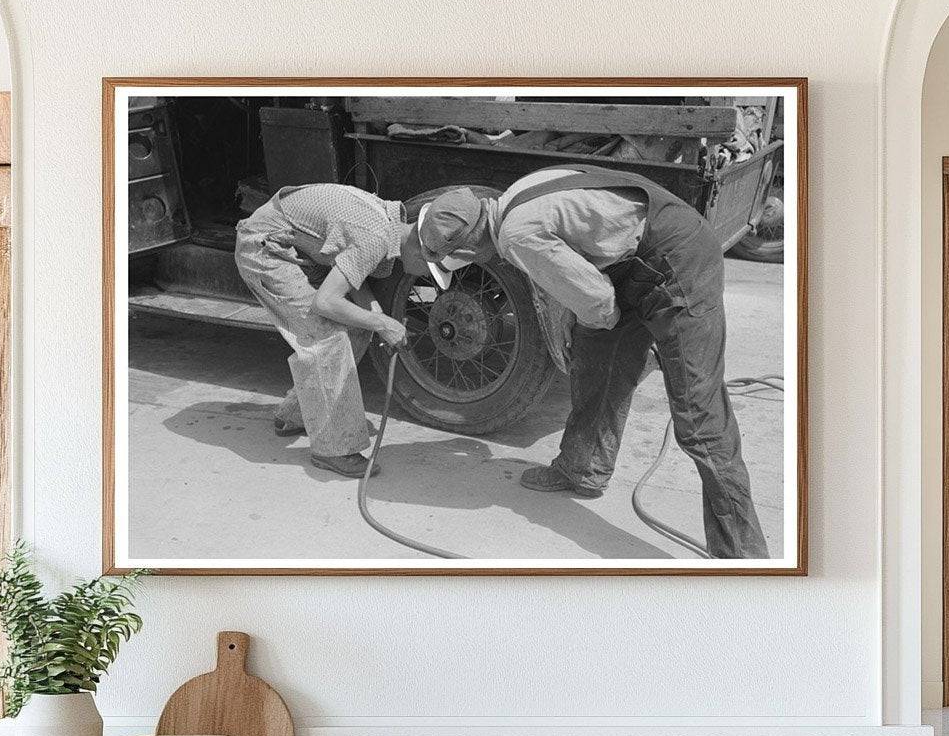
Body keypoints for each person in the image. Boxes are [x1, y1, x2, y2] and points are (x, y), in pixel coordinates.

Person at [416, 165, 768, 559]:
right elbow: (582, 262)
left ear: (467, 251)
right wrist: (581, 316)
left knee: (699, 419)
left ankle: (744, 557)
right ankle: (582, 468)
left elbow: (600, 304)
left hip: (679, 262)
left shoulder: (516, 236)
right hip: (637, 259)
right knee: (595, 351)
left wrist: (610, 323)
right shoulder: (515, 195)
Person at [234, 183, 430, 479]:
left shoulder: (386, 226)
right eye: (432, 266)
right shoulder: (375, 237)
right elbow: (325, 303)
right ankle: (334, 450)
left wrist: (376, 319)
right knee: (327, 335)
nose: (427, 274)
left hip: (290, 245)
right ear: (420, 249)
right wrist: (383, 324)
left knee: (358, 326)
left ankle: (295, 414)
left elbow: (351, 271)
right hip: (264, 247)